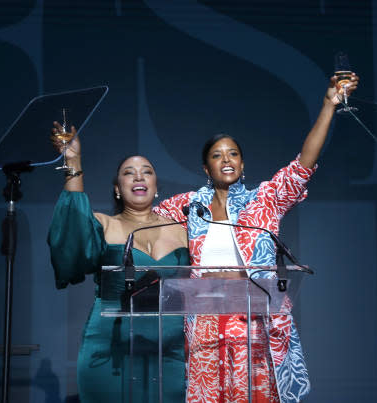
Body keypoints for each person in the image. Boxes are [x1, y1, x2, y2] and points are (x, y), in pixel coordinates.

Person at [152, 73, 360, 402]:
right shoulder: (191, 205)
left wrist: (328, 106)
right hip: (204, 318)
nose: (226, 160)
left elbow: (303, 165)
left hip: (252, 315)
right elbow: (149, 218)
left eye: (233, 154)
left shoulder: (264, 199)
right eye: (217, 155)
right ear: (206, 168)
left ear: (242, 163)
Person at [47, 123, 189, 402]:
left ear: (156, 187)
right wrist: (73, 162)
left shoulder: (183, 230)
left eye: (147, 172)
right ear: (117, 188)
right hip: (110, 349)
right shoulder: (102, 224)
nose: (139, 176)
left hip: (168, 352)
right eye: (129, 172)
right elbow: (71, 237)